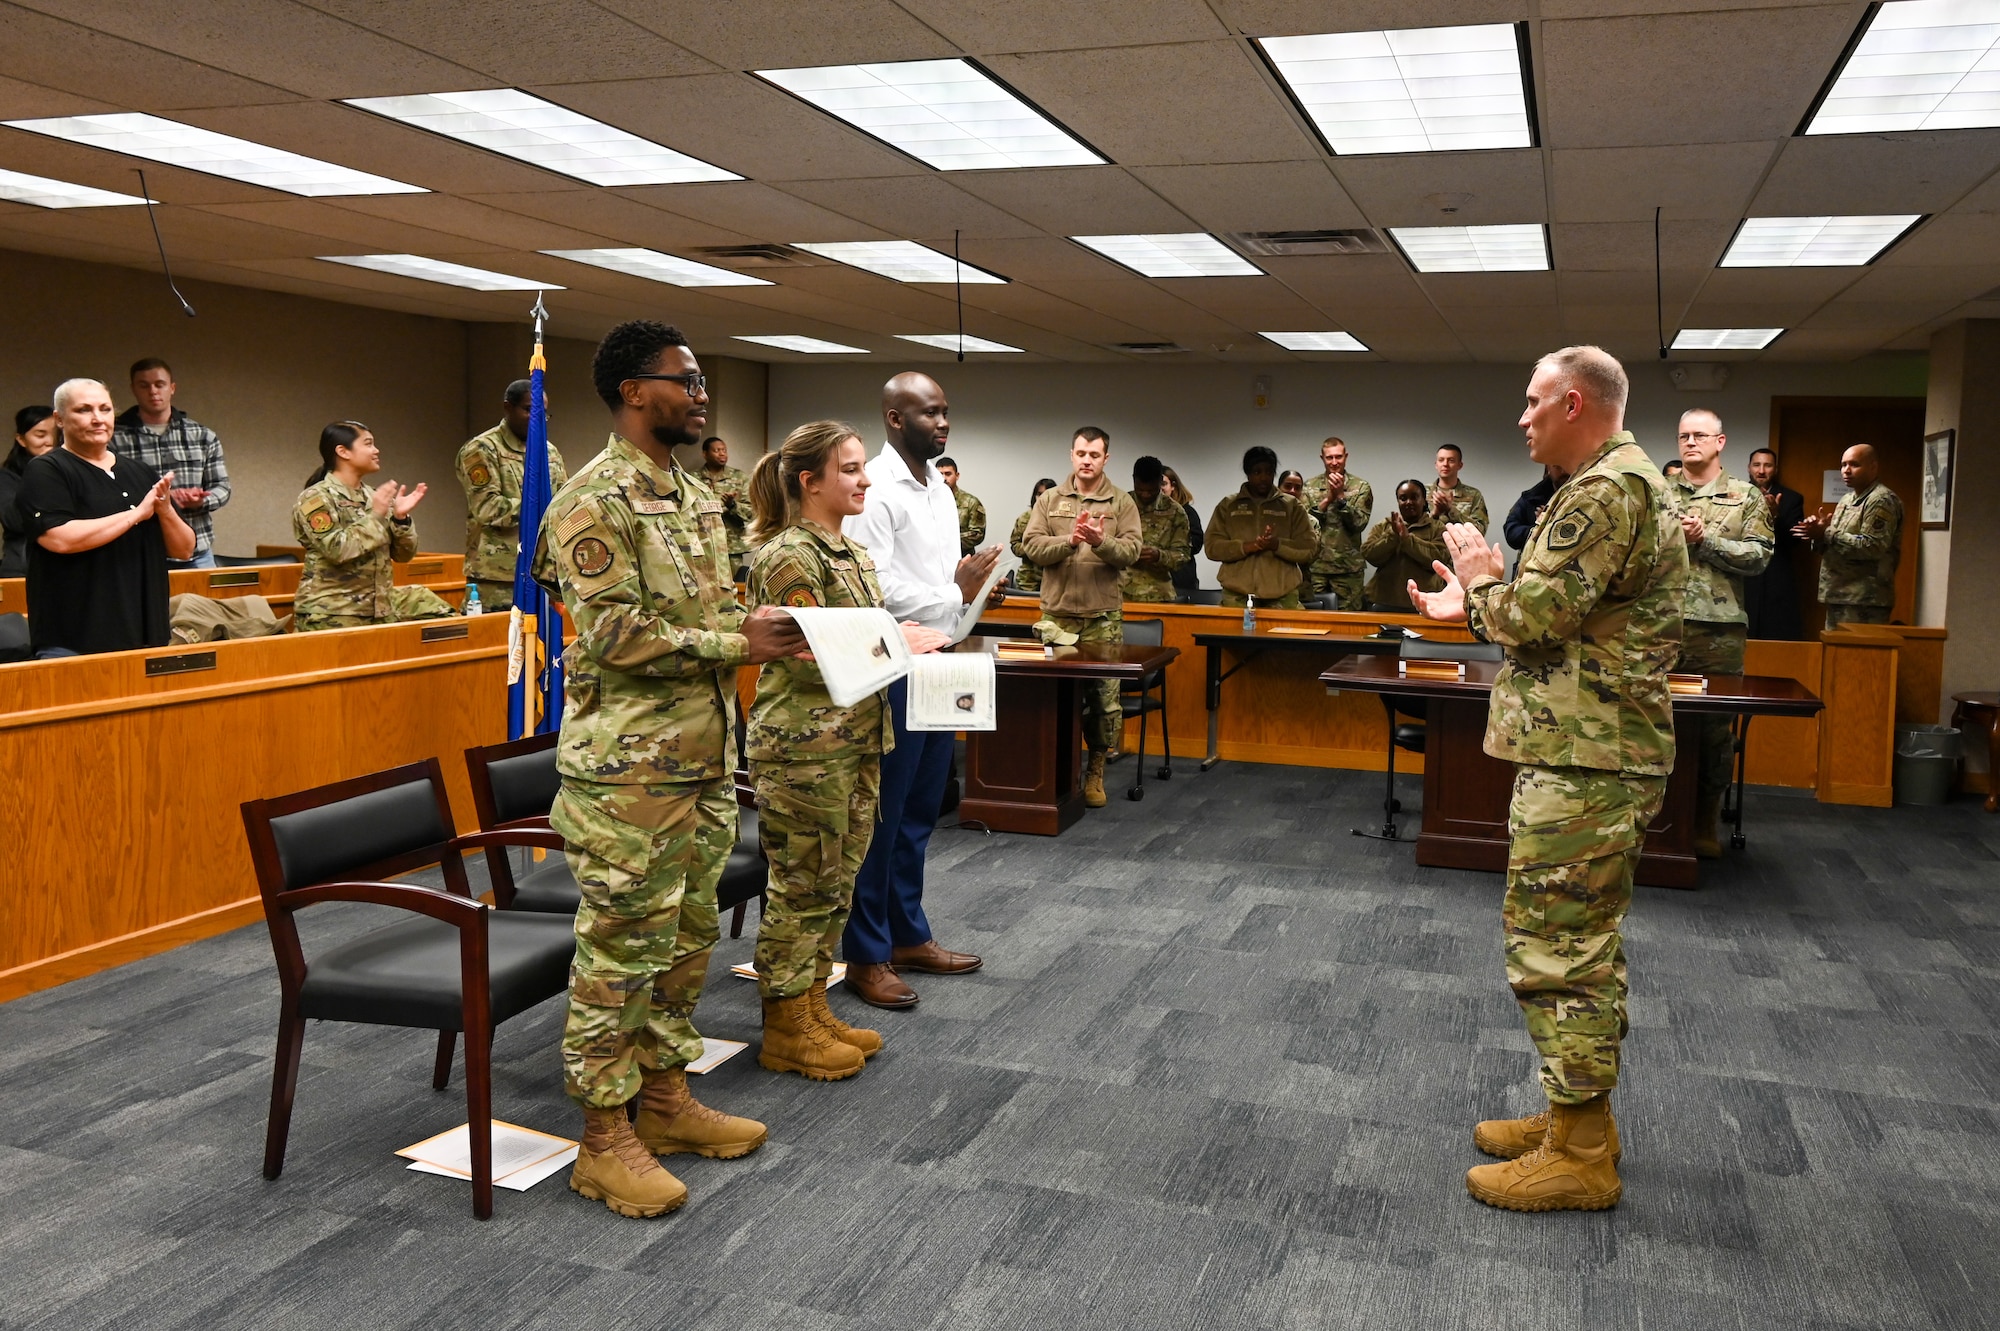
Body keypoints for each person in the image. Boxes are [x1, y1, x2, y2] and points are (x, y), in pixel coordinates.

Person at [535, 320, 806, 1218]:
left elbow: (717, 605)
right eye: (682, 380)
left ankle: (664, 1098)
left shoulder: (693, 496)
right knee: (619, 951)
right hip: (626, 775)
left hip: (699, 760)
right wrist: (738, 639)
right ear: (630, 391)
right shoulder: (591, 498)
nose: (699, 393)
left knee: (687, 942)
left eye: (698, 379)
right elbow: (608, 633)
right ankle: (602, 1137)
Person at [1410, 345, 1687, 1214]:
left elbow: (1534, 615)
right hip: (1590, 748)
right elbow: (1558, 615)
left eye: (1532, 401)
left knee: (1558, 947)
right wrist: (1478, 598)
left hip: (1588, 758)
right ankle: (1575, 1121)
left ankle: (1582, 1154)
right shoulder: (1616, 484)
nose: (1521, 416)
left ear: (1574, 403)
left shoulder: (1606, 492)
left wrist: (1486, 583)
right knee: (1576, 942)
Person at [743, 419, 950, 1082]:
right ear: (811, 482)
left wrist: (895, 637)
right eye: (852, 469)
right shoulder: (790, 556)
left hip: (854, 739)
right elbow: (807, 653)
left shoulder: (849, 553)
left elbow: (859, 638)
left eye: (864, 467)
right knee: (802, 884)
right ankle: (783, 1025)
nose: (865, 479)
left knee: (835, 885)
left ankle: (810, 1005)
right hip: (804, 746)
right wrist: (899, 642)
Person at [840, 372, 999, 1010]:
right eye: (930, 414)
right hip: (894, 665)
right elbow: (869, 584)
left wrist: (972, 594)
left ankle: (908, 934)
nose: (943, 423)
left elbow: (941, 582)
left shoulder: (938, 487)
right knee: (882, 815)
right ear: (894, 419)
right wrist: (952, 593)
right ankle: (867, 952)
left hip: (943, 660)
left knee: (920, 812)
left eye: (945, 413)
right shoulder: (875, 492)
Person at [17, 379, 195, 655]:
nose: (98, 419)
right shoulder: (46, 470)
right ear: (59, 419)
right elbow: (59, 539)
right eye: (84, 410)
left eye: (105, 409)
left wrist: (165, 509)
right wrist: (136, 514)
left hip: (146, 633)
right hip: (74, 637)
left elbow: (184, 549)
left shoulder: (142, 472)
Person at [1667, 409, 1772, 857]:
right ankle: (1659, 824)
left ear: (1720, 441)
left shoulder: (1745, 496)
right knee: (1656, 726)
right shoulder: (1658, 491)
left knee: (1712, 732)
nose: (1691, 442)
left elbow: (1759, 556)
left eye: (1700, 436)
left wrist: (1704, 538)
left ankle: (1704, 821)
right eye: (1683, 436)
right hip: (1661, 626)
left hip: (1717, 630)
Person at [1022, 426, 1142, 808]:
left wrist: (1099, 541)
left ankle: (1095, 769)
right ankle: (1058, 770)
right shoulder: (1050, 500)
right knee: (1054, 699)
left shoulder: (1121, 502)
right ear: (1071, 455)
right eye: (1081, 454)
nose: (1086, 460)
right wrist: (1070, 541)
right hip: (1056, 617)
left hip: (1102, 616)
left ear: (1106, 458)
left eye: (1094, 455)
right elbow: (1032, 546)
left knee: (1104, 701)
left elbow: (1132, 551)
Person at [292, 423, 454, 632]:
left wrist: (400, 519)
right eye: (368, 444)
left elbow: (404, 555)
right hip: (332, 613)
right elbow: (337, 549)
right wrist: (376, 515)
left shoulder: (374, 496)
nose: (376, 450)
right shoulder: (315, 498)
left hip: (378, 609)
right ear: (343, 452)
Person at [456, 379, 568, 613]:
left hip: (542, 573)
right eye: (529, 410)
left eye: (543, 413)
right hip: (497, 577)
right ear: (508, 408)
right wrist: (540, 507)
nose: (537, 418)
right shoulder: (482, 449)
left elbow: (563, 503)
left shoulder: (550, 452)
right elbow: (488, 508)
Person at [111, 358, 230, 569]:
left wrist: (201, 500)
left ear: (172, 388)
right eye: (144, 385)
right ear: (133, 389)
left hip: (197, 551)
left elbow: (222, 487)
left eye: (159, 384)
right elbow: (109, 493)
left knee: (204, 604)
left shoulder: (202, 436)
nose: (153, 391)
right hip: (141, 552)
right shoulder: (115, 438)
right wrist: (162, 500)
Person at [1795, 444, 1903, 629]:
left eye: (1854, 464)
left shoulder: (1881, 500)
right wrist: (1817, 534)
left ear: (1873, 467)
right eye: (1843, 465)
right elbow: (1834, 543)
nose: (1846, 470)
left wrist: (1827, 533)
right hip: (1840, 594)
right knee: (1835, 654)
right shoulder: (1847, 500)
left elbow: (1872, 547)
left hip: (1865, 599)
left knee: (1859, 656)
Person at [1205, 445, 1316, 609]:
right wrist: (1246, 547)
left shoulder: (1292, 506)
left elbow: (1309, 548)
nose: (1264, 477)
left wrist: (1276, 544)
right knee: (1231, 634)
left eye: (1269, 472)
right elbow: (1212, 547)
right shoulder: (1229, 505)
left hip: (1283, 594)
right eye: (1257, 472)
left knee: (1286, 634)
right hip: (1237, 595)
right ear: (1248, 473)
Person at [1301, 437, 1374, 609]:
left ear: (1346, 457)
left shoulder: (1361, 486)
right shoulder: (1309, 486)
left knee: (1348, 625)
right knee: (1314, 622)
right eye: (1329, 458)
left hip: (1348, 569)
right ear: (1322, 458)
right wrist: (1328, 499)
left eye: (1338, 457)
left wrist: (1341, 498)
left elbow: (1359, 523)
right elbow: (1305, 526)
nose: (1334, 462)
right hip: (1316, 567)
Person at [1742, 448, 1805, 640]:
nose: (1761, 470)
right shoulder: (1736, 495)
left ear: (1775, 469)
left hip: (1776, 574)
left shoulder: (1792, 498)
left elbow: (1794, 541)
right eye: (1757, 465)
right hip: (1743, 572)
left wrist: (1775, 517)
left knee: (1776, 632)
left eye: (1767, 465)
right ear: (1749, 468)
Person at [1359, 479, 1446, 612]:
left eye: (1414, 497)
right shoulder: (1385, 525)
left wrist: (1407, 539)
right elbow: (1369, 553)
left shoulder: (1437, 528)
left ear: (1424, 501)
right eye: (1403, 498)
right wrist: (1393, 535)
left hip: (1423, 602)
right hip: (1382, 601)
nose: (1408, 502)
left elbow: (1438, 559)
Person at [1121, 454, 1191, 604]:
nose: (1145, 495)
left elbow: (1183, 555)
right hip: (1121, 592)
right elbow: (1103, 546)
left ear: (1160, 481)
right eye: (1140, 490)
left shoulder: (1175, 512)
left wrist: (1159, 556)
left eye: (1151, 491)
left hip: (1158, 594)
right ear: (1134, 480)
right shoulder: (1120, 506)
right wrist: (1128, 551)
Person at [1, 405, 59, 577]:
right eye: (40, 435)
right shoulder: (6, 477)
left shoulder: (71, 470)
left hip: (66, 567)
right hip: (23, 568)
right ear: (21, 439)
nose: (50, 441)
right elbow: (15, 521)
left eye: (56, 434)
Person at [696, 436, 750, 566]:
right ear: (705, 454)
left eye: (724, 450)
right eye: (717, 450)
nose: (722, 454)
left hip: (730, 547)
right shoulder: (693, 478)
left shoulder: (740, 477)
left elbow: (751, 511)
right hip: (702, 544)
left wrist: (732, 506)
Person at [1504, 463, 1568, 571]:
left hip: (1566, 569)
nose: (1563, 471)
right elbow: (1511, 532)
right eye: (1557, 466)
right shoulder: (1531, 497)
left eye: (1566, 464)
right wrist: (1539, 527)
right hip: (1529, 569)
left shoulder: (1586, 493)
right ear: (1548, 468)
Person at [1008, 478, 1057, 593]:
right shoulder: (1025, 518)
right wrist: (1033, 548)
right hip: (1028, 578)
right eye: (1039, 494)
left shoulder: (1060, 519)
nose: (1042, 498)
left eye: (1047, 494)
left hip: (1054, 577)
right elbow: (1014, 545)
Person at [1163, 466, 1204, 595]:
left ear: (1173, 486)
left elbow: (1196, 544)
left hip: (1181, 579)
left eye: (1163, 484)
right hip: (1152, 581)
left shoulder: (1187, 513)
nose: (1160, 488)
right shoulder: (1144, 512)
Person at [1429, 444, 1488, 532]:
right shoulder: (1421, 492)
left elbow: (1480, 530)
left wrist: (1451, 510)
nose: (1445, 464)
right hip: (1427, 545)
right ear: (1436, 464)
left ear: (1460, 465)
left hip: (1460, 545)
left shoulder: (1473, 494)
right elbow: (1412, 530)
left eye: (1451, 460)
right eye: (1441, 460)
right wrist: (1434, 514)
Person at [937, 456, 987, 556]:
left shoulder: (970, 502)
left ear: (957, 475)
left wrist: (945, 541)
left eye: (948, 474)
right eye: (940, 474)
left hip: (962, 558)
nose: (943, 478)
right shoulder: (928, 501)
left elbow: (977, 534)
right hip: (934, 560)